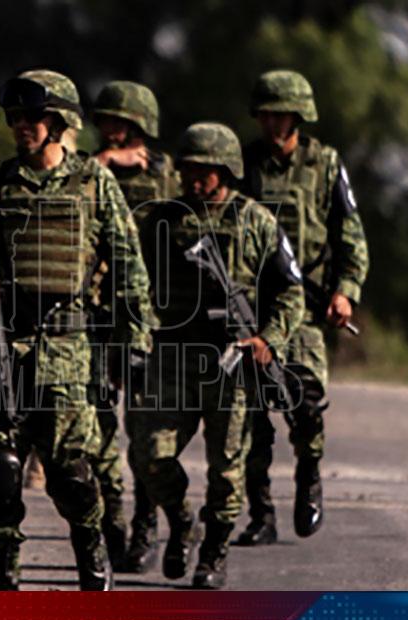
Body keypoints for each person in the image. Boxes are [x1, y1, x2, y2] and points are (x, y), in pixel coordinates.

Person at [0, 69, 151, 591]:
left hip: (65, 349)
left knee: (69, 473)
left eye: (32, 117)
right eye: (14, 118)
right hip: (4, 346)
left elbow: (128, 264)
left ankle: (91, 554)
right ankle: (4, 580)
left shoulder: (93, 183)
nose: (21, 126)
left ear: (59, 121)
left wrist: (135, 341)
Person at [133, 122, 305, 588]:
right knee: (149, 455)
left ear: (225, 170)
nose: (192, 178)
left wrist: (269, 338)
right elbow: (135, 280)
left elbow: (291, 290)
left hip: (231, 363)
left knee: (227, 472)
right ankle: (183, 522)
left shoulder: (257, 221)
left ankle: (213, 553)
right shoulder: (163, 220)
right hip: (172, 356)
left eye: (203, 171)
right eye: (187, 169)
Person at [236, 69, 369, 546]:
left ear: (299, 116)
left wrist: (345, 291)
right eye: (266, 114)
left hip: (309, 306)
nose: (272, 123)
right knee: (249, 417)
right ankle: (260, 513)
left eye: (281, 115)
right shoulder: (243, 163)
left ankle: (309, 481)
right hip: (253, 307)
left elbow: (351, 236)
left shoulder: (325, 163)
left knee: (307, 405)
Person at [90, 80, 180, 572]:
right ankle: (110, 527)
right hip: (94, 318)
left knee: (145, 432)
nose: (111, 131)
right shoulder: (83, 171)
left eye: (121, 124)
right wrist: (103, 166)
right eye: (105, 122)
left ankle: (146, 525)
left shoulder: (166, 176)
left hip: (149, 320)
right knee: (95, 433)